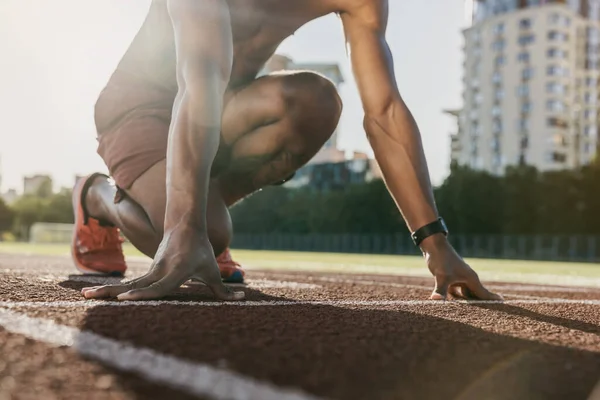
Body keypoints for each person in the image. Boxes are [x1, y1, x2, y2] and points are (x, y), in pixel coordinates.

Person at [75, 0, 502, 302]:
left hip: (225, 108)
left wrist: (436, 245)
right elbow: (200, 74)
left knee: (316, 101)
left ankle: (198, 211)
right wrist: (185, 227)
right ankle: (95, 196)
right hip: (143, 108)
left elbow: (385, 114)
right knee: (203, 232)